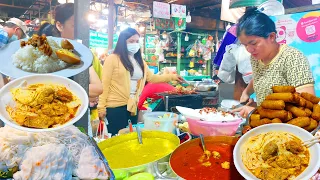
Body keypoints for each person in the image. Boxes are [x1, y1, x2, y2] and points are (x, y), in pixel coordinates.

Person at [98, 28, 183, 135]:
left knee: (132, 137)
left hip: (133, 106)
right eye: (131, 41)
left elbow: (152, 78)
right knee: (117, 138)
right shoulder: (112, 59)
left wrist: (172, 77)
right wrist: (101, 107)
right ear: (123, 43)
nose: (135, 44)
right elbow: (104, 84)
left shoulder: (140, 61)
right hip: (115, 107)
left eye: (137, 41)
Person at [232, 7, 315, 117]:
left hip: (290, 128)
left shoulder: (292, 58)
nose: (249, 49)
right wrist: (246, 92)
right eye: (245, 45)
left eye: (253, 43)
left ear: (271, 36)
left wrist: (255, 111)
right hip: (267, 123)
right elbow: (258, 77)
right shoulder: (256, 58)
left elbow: (308, 105)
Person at [38, 3, 103, 123]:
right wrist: (82, 93)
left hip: (77, 116)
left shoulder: (80, 53)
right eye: (74, 25)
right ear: (59, 25)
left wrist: (62, 93)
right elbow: (40, 91)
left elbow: (98, 88)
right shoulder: (46, 53)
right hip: (50, 120)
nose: (81, 30)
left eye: (84, 26)